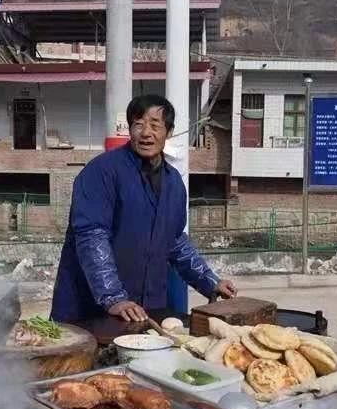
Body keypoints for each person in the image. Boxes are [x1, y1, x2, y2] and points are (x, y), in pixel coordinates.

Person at [51, 94, 236, 323]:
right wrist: (113, 297)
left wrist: (210, 281)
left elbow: (175, 241)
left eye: (155, 125)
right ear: (130, 130)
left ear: (169, 132)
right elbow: (92, 236)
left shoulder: (174, 183)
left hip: (147, 309)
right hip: (91, 310)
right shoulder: (102, 171)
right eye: (138, 124)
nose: (146, 133)